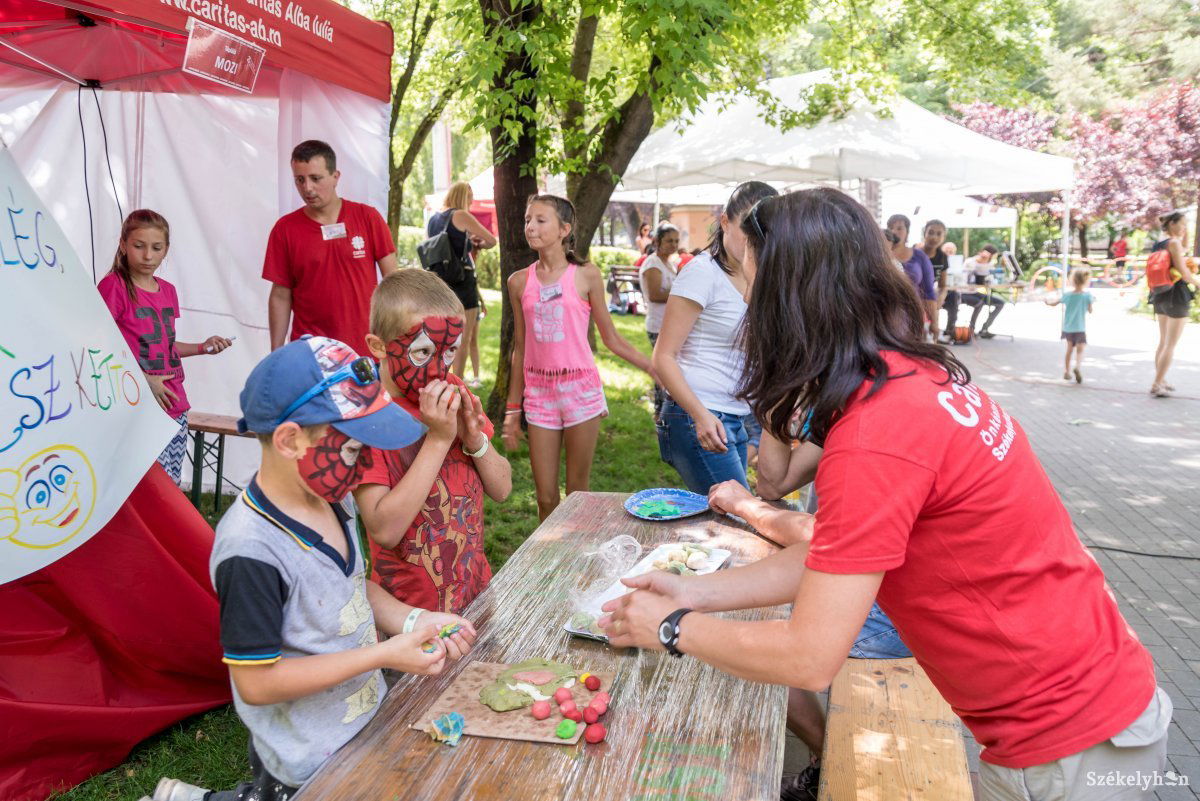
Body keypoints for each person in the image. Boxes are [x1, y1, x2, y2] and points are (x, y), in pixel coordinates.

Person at [600, 187, 1168, 801]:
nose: (745, 305)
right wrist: (693, 592)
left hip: (1070, 744)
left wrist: (673, 626)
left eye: (749, 280)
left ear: (791, 298)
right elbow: (832, 558)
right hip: (1092, 715)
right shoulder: (905, 379)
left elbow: (810, 654)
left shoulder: (878, 433)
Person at [149, 336, 475, 801]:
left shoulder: (332, 496)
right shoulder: (251, 551)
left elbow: (350, 588)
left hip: (360, 725)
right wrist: (384, 655)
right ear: (289, 440)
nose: (363, 463)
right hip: (306, 757)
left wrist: (413, 619)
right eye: (351, 450)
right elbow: (257, 682)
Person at [355, 270, 512, 614]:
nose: (439, 370)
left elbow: (502, 489)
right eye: (423, 352)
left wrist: (475, 441)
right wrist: (439, 440)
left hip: (477, 601)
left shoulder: (454, 388)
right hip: (409, 621)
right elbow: (384, 530)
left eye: (450, 351)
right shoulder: (370, 419)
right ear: (378, 346)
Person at [502, 195, 653, 520]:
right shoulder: (518, 282)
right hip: (539, 395)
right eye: (528, 219)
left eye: (541, 220)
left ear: (564, 229)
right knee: (545, 497)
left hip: (580, 392)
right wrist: (513, 411)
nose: (530, 226)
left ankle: (579, 563)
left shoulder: (586, 275)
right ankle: (551, 564)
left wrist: (655, 368)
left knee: (577, 494)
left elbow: (611, 338)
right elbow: (520, 346)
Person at [652, 181, 778, 494]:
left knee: (725, 519)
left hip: (736, 415)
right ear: (724, 221)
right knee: (737, 514)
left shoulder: (758, 276)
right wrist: (700, 415)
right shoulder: (702, 272)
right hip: (697, 414)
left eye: (762, 233)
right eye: (746, 230)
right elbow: (662, 357)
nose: (753, 241)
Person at [97, 210, 233, 484]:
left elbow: (165, 346)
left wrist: (202, 347)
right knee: (143, 485)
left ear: (166, 250)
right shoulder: (114, 286)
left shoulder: (168, 290)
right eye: (139, 246)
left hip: (173, 401)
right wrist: (142, 379)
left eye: (156, 248)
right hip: (137, 403)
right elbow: (100, 345)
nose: (148, 255)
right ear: (123, 245)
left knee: (169, 483)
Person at [264, 140, 398, 354]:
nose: (307, 188)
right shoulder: (285, 229)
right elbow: (280, 295)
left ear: (336, 177)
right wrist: (276, 354)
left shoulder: (367, 217)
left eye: (315, 179)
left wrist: (395, 339)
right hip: (310, 354)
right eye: (300, 180)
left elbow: (394, 281)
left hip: (365, 350)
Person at [426, 182, 498, 387]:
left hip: (441, 284)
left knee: (443, 338)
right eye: (470, 198)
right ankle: (457, 385)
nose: (471, 202)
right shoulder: (461, 216)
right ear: (463, 198)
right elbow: (492, 240)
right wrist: (478, 243)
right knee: (462, 340)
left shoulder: (434, 220)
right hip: (463, 283)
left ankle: (440, 380)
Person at [1148, 211, 1200, 397]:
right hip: (1176, 295)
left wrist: (1184, 233)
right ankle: (1156, 384)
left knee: (1163, 342)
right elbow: (1185, 274)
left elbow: (1183, 250)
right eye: (1182, 224)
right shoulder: (1174, 243)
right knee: (1170, 344)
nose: (1185, 227)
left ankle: (1160, 379)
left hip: (1160, 294)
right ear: (1172, 224)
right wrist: (1198, 283)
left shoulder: (1160, 243)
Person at [639, 223, 680, 420]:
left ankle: (666, 411)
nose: (674, 245)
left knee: (669, 370)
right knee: (663, 370)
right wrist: (681, 294)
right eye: (669, 240)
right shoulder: (652, 264)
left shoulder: (670, 264)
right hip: (657, 325)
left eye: (676, 241)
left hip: (670, 324)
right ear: (657, 242)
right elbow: (655, 294)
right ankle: (660, 412)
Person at [886, 214, 937, 334]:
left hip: (913, 316)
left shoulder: (920, 257)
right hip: (886, 317)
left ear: (907, 232)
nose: (894, 231)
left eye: (899, 228)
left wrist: (934, 322)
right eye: (891, 228)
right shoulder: (878, 256)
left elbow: (929, 292)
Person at [1044, 268, 1093, 384]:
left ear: (1073, 280)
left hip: (1068, 328)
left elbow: (1054, 303)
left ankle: (1066, 371)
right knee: (1080, 350)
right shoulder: (1087, 296)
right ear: (1085, 281)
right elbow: (1090, 310)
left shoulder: (1067, 295)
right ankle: (1077, 367)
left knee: (1069, 349)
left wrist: (1047, 302)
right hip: (1080, 327)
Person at [918, 220, 960, 343]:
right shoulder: (915, 254)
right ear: (924, 233)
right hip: (914, 299)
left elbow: (942, 285)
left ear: (943, 237)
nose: (934, 237)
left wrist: (941, 298)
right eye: (930, 232)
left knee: (954, 298)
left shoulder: (942, 257)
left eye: (938, 234)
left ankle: (948, 331)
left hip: (931, 300)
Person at [960, 244, 1005, 338]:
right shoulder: (970, 261)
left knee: (1000, 303)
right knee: (979, 303)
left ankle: (984, 328)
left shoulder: (988, 264)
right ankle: (971, 330)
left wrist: (985, 263)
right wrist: (981, 261)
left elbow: (985, 277)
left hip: (974, 292)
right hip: (964, 292)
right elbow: (966, 277)